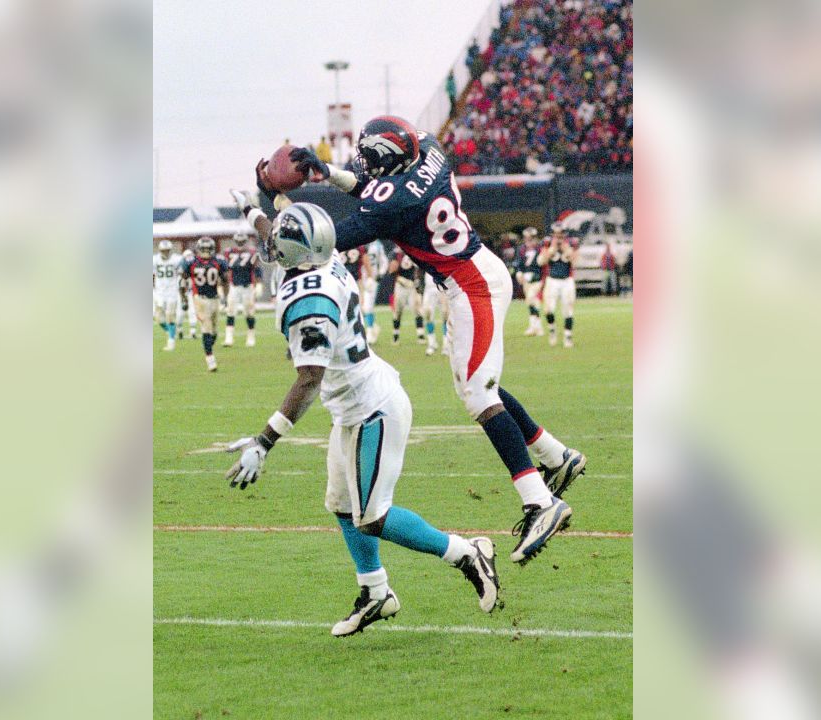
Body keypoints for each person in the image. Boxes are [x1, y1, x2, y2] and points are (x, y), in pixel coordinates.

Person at [278, 115, 584, 564]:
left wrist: (278, 205)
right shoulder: (428, 146)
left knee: (478, 394)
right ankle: (556, 456)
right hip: (471, 274)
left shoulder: (391, 202)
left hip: (471, 285)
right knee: (479, 384)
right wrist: (329, 175)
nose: (363, 166)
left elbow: (322, 241)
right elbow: (375, 186)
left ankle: (540, 501)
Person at [224, 194, 500, 637]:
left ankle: (467, 552)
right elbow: (277, 236)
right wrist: (250, 211)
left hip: (372, 408)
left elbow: (309, 379)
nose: (273, 242)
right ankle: (376, 592)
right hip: (353, 406)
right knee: (341, 503)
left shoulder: (311, 302)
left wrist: (264, 441)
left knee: (372, 514)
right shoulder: (322, 255)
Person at [180, 237, 228, 371]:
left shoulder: (218, 261)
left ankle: (208, 349)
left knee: (214, 332)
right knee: (206, 328)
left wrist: (225, 296)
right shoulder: (191, 262)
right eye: (204, 249)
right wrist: (184, 298)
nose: (206, 252)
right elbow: (182, 281)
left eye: (208, 249)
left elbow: (225, 280)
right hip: (199, 299)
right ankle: (210, 359)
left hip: (214, 298)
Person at [538, 222, 578, 348]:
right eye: (556, 234)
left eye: (560, 234)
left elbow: (576, 262)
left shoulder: (572, 243)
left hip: (567, 280)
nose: (558, 237)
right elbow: (541, 261)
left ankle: (567, 336)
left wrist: (567, 250)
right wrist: (552, 249)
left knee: (568, 310)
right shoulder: (547, 243)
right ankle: (552, 330)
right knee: (549, 309)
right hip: (552, 280)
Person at [222, 232, 259, 347]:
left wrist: (258, 284)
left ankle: (251, 337)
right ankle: (229, 338)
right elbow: (225, 270)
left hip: (247, 286)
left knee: (249, 312)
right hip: (234, 285)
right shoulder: (229, 252)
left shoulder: (252, 252)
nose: (240, 243)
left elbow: (256, 269)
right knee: (230, 311)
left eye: (242, 241)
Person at [388, 249, 424, 345]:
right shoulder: (396, 253)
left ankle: (421, 335)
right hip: (401, 285)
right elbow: (391, 271)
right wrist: (399, 278)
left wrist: (417, 281)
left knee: (417, 309)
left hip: (412, 285)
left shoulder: (413, 249)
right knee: (398, 311)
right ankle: (396, 336)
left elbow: (418, 268)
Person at [153, 239, 184, 350]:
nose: (166, 252)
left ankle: (171, 341)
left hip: (172, 292)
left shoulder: (176, 259)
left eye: (167, 250)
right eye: (164, 250)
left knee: (170, 317)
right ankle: (171, 332)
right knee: (158, 318)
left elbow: (183, 271)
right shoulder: (154, 260)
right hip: (160, 292)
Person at [514, 227, 545, 336]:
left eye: (531, 239)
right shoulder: (521, 249)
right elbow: (518, 264)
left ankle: (538, 327)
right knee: (530, 302)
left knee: (532, 299)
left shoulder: (540, 248)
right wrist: (519, 273)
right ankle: (533, 327)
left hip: (537, 278)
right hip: (526, 279)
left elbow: (543, 265)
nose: (528, 241)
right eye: (526, 238)